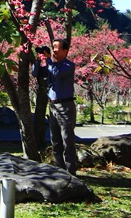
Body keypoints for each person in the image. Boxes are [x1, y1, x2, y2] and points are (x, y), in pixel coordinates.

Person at [32, 38, 78, 175]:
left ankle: (71, 173)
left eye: (57, 47)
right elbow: (35, 73)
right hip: (53, 106)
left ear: (65, 51)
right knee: (55, 141)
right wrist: (38, 60)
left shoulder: (69, 65)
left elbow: (56, 73)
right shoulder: (50, 64)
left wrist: (48, 60)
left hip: (65, 106)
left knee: (67, 140)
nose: (54, 50)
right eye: (53, 47)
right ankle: (60, 172)